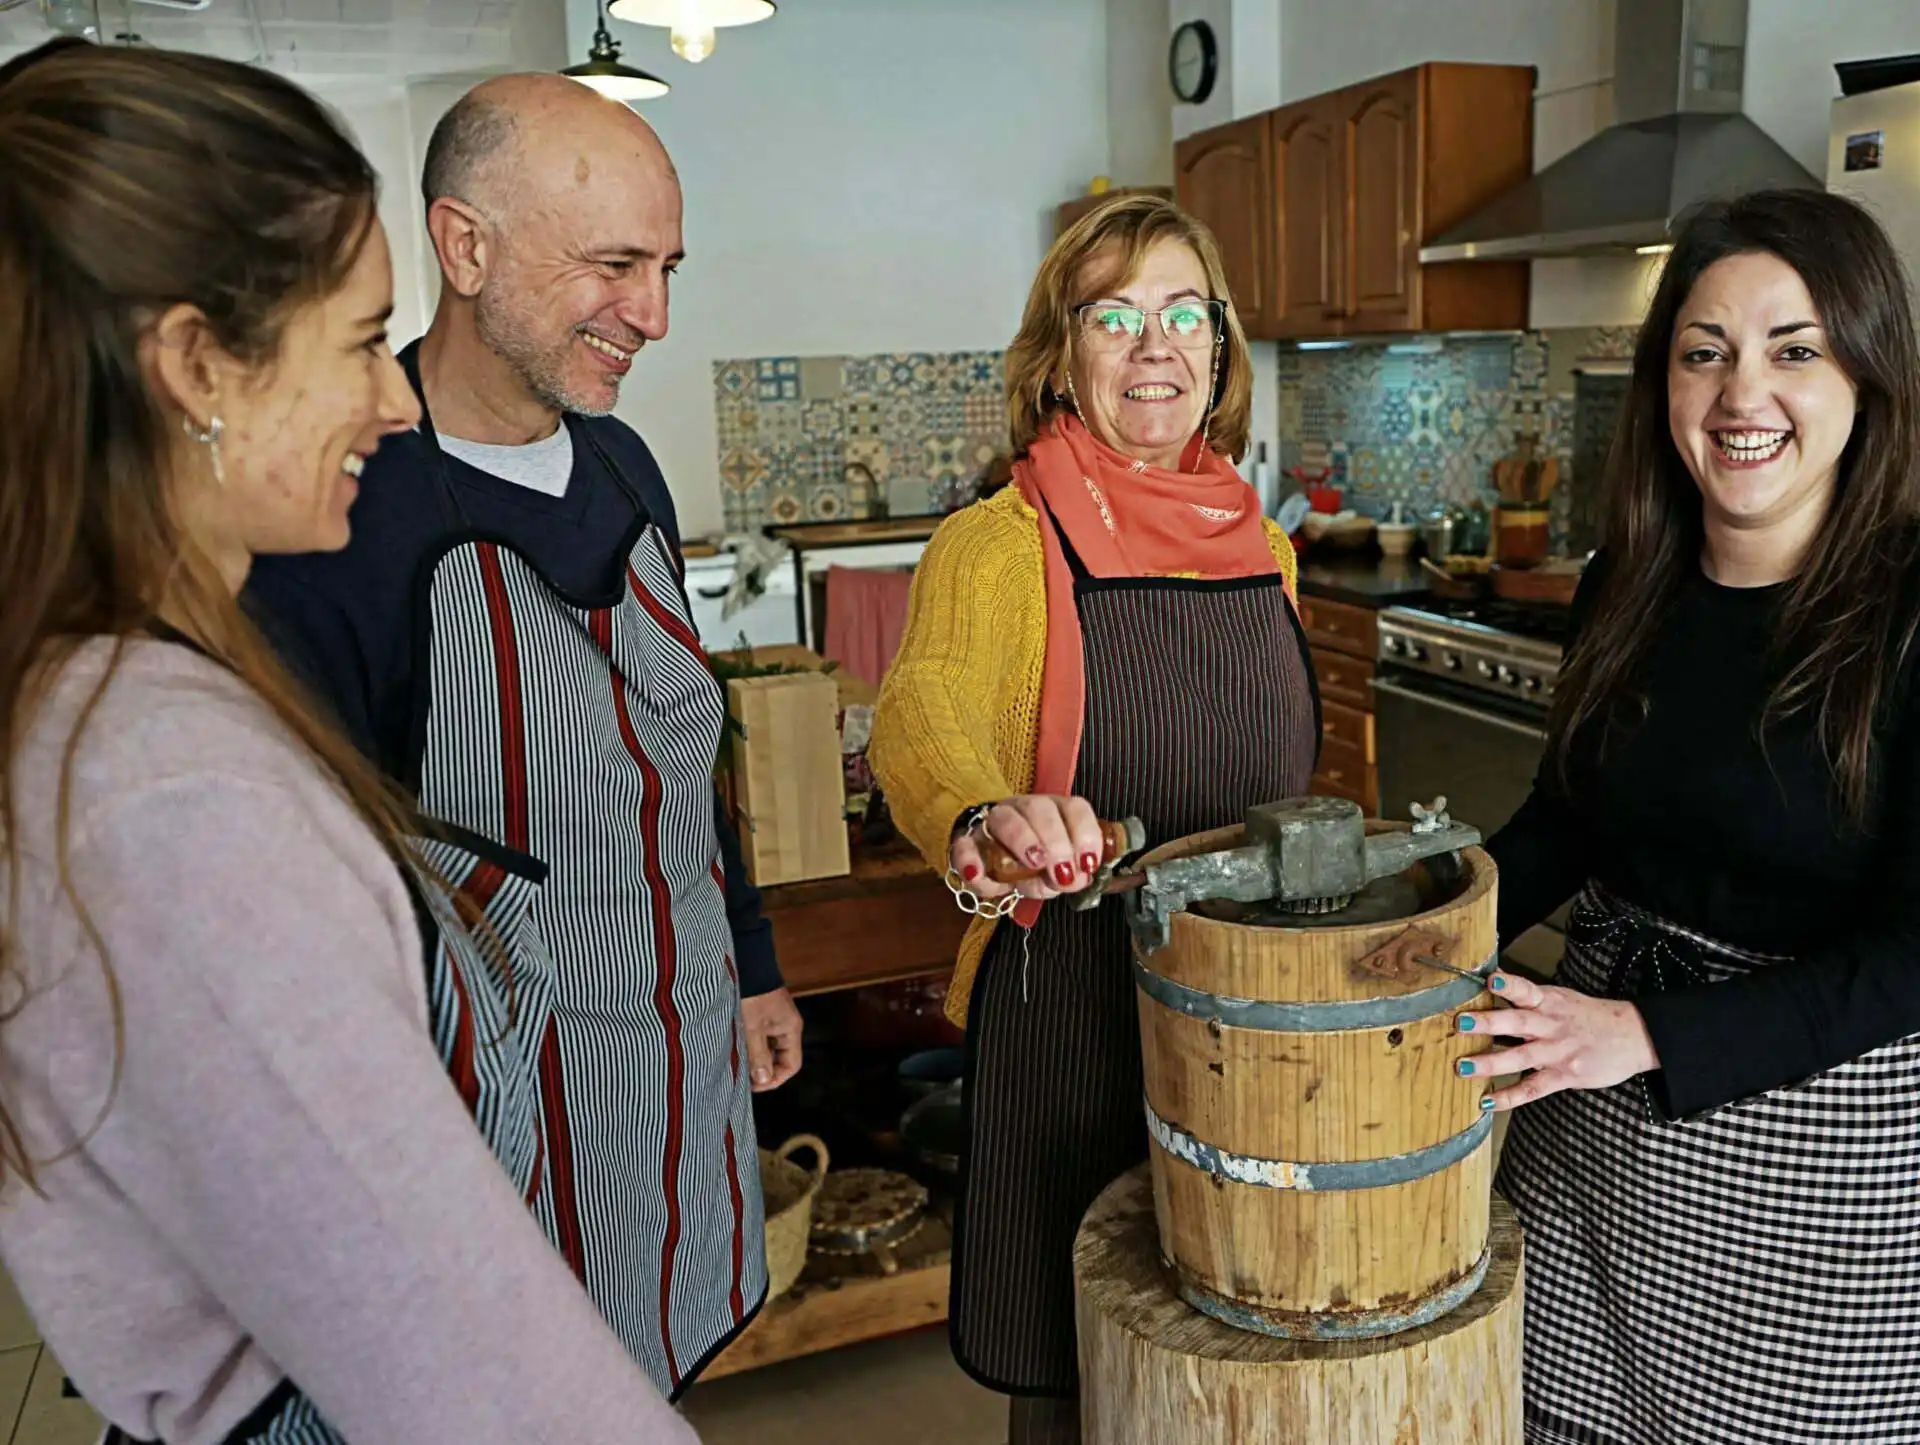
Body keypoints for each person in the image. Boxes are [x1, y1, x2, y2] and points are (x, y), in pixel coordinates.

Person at [0, 39, 699, 1445]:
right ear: (195, 364)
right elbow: (469, 1371)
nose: (393, 399)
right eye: (361, 340)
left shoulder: (101, 694)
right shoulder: (173, 793)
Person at [244, 74, 804, 1396]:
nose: (654, 315)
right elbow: (296, 903)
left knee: (644, 1359)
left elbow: (675, 759)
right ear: (465, 246)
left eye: (665, 269)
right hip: (485, 1113)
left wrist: (750, 962)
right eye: (614, 265)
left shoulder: (624, 467)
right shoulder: (340, 513)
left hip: (668, 1051)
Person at [1464, 188, 1920, 1445]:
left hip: (1809, 1157)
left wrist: (1649, 1033)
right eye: (1704, 351)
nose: (1741, 394)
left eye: (1794, 349)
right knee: (1553, 1413)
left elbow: (1913, 955)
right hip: (1587, 1127)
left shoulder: (1907, 614)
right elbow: (1572, 816)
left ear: (1868, 376)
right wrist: (1428, 919)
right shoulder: (1630, 578)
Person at [867, 196, 1318, 1445]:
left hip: (1241, 1016)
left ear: (1221, 345)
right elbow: (920, 713)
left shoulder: (1266, 550)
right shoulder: (998, 545)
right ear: (1061, 356)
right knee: (1081, 1376)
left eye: (1183, 313)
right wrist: (983, 811)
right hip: (1074, 1013)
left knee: (1228, 1351)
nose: (1154, 345)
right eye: (1114, 317)